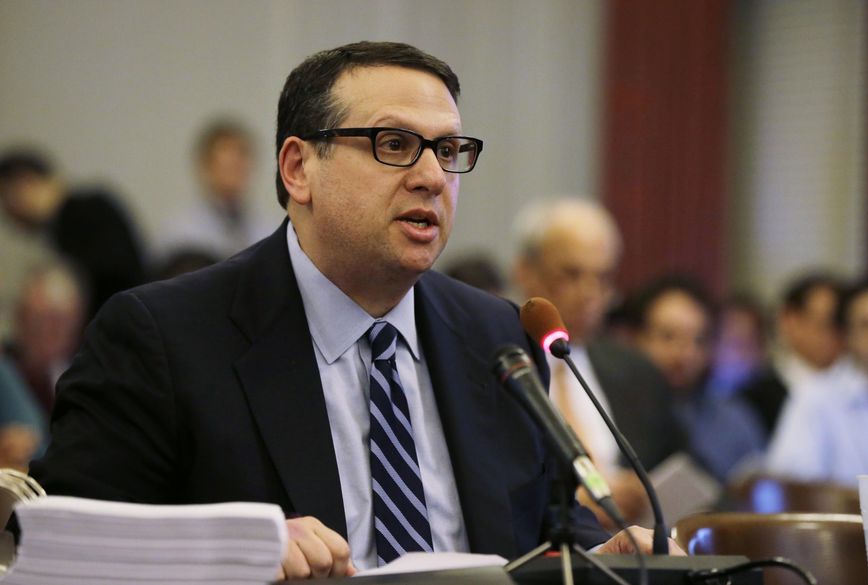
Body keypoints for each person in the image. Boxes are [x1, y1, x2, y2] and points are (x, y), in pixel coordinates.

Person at [29, 42, 680, 580]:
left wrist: (609, 557)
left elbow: (560, 535)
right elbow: (63, 547)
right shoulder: (162, 337)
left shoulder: (499, 337)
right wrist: (230, 549)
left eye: (448, 151)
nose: (431, 176)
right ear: (298, 168)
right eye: (394, 144)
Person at [512, 199, 685, 525]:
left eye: (603, 278)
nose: (590, 293)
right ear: (525, 272)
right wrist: (576, 501)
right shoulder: (492, 362)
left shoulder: (636, 372)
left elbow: (680, 468)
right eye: (572, 274)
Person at [630, 276, 765, 482]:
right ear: (637, 338)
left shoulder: (734, 421)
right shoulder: (611, 410)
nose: (684, 354)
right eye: (668, 337)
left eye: (698, 340)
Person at [0, 150, 146, 320]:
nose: (7, 211)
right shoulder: (59, 227)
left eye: (5, 196)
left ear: (26, 182)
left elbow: (111, 276)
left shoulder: (89, 210)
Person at [764, 277, 868, 486]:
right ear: (848, 336)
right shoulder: (816, 396)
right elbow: (794, 484)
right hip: (844, 515)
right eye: (866, 325)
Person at [740, 273, 845, 436]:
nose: (836, 335)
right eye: (827, 323)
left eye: (843, 325)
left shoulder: (858, 393)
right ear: (789, 321)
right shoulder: (751, 400)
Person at [156, 118, 275, 262]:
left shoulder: (268, 230)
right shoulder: (179, 234)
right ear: (206, 167)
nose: (235, 173)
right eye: (227, 167)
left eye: (239, 166)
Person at [3, 264, 87, 418]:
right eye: (37, 323)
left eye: (58, 326)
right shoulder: (5, 370)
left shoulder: (83, 381)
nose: (46, 334)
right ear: (19, 319)